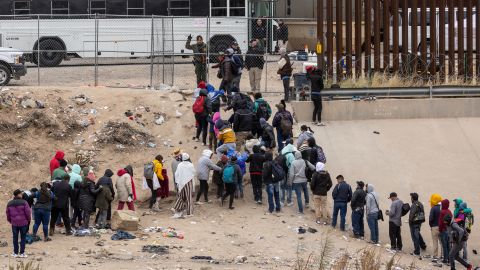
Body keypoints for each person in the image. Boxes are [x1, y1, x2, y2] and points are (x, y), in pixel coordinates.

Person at [6, 189, 31, 258]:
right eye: (21, 194)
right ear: (18, 194)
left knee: (15, 238)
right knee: (23, 237)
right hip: (23, 223)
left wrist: (10, 221)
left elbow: (8, 214)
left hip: (14, 223)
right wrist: (28, 220)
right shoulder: (24, 202)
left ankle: (15, 253)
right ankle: (22, 253)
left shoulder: (9, 203)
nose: (22, 195)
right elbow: (28, 212)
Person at [173, 153, 196, 218]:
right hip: (188, 182)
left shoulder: (180, 165)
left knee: (181, 196)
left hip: (181, 183)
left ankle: (176, 208)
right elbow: (194, 172)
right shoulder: (190, 165)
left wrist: (177, 182)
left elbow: (176, 174)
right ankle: (189, 212)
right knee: (189, 198)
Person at [429, 193, 442, 260]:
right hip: (441, 227)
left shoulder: (433, 208)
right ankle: (442, 255)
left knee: (435, 241)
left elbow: (431, 218)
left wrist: (431, 225)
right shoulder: (442, 208)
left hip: (434, 226)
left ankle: (435, 255)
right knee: (441, 242)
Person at [439, 199, 452, 264]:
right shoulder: (449, 211)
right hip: (449, 230)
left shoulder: (442, 212)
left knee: (444, 245)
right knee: (448, 245)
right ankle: (450, 259)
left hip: (443, 230)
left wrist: (440, 229)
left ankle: (445, 259)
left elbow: (441, 222)